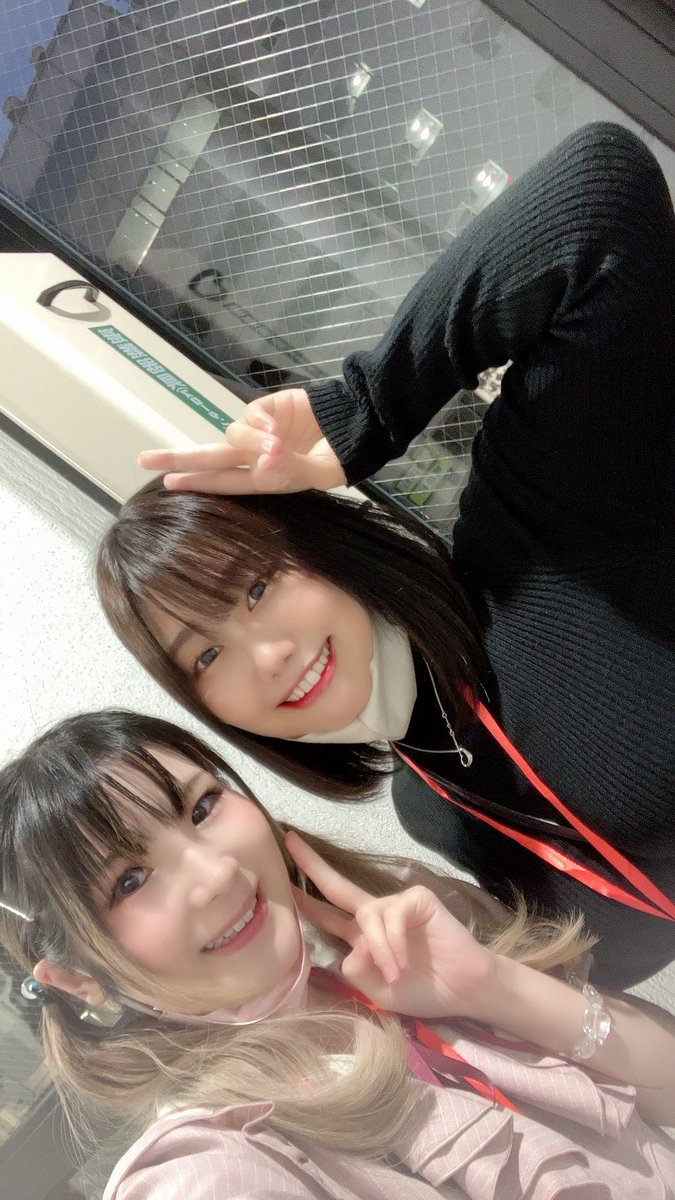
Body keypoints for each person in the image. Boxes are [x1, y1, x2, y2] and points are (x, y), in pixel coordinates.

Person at [97, 122, 675, 989]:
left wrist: (364, 410)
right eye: (206, 656)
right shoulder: (428, 808)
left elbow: (600, 200)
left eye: (255, 588)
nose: (269, 655)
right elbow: (615, 958)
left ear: (318, 549)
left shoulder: (531, 536)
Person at [1, 709, 674, 1200]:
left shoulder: (400, 930)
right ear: (78, 979)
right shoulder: (213, 1161)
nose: (217, 874)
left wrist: (493, 987)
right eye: (129, 881)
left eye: (202, 807)